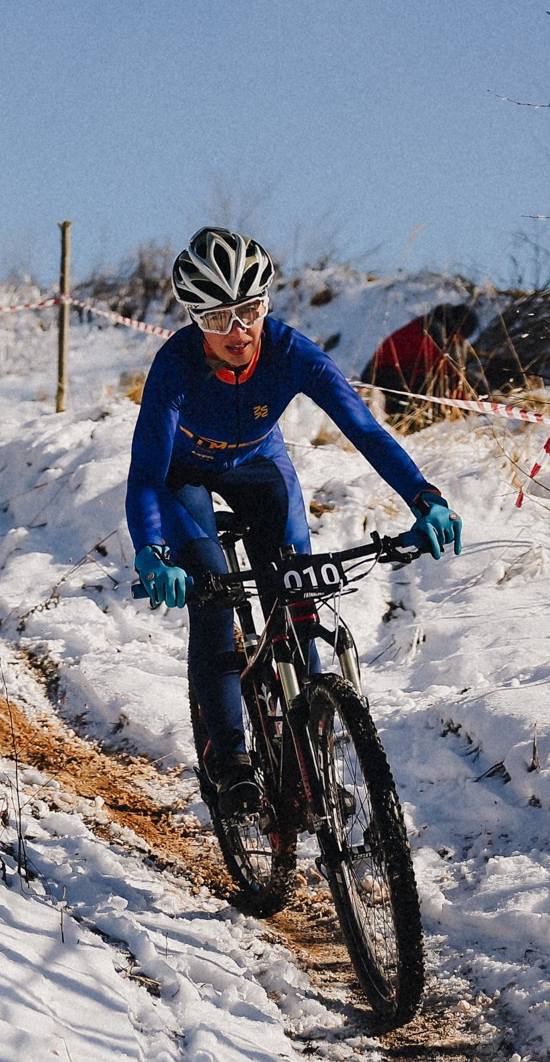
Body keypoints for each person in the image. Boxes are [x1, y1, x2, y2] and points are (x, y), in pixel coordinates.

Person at [124, 227, 462, 812]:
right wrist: (152, 549)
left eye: (250, 310)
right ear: (195, 318)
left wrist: (424, 497)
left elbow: (365, 430)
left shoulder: (291, 352)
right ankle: (229, 762)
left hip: (259, 469)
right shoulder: (174, 366)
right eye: (217, 317)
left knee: (296, 590)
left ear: (267, 304)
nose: (238, 330)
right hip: (183, 478)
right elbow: (148, 472)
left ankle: (311, 753)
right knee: (210, 585)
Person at [363, 301, 480, 425]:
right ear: (457, 329)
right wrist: (472, 402)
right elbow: (451, 370)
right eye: (460, 336)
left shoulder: (431, 323)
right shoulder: (434, 331)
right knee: (436, 386)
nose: (459, 341)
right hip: (384, 377)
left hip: (383, 375)